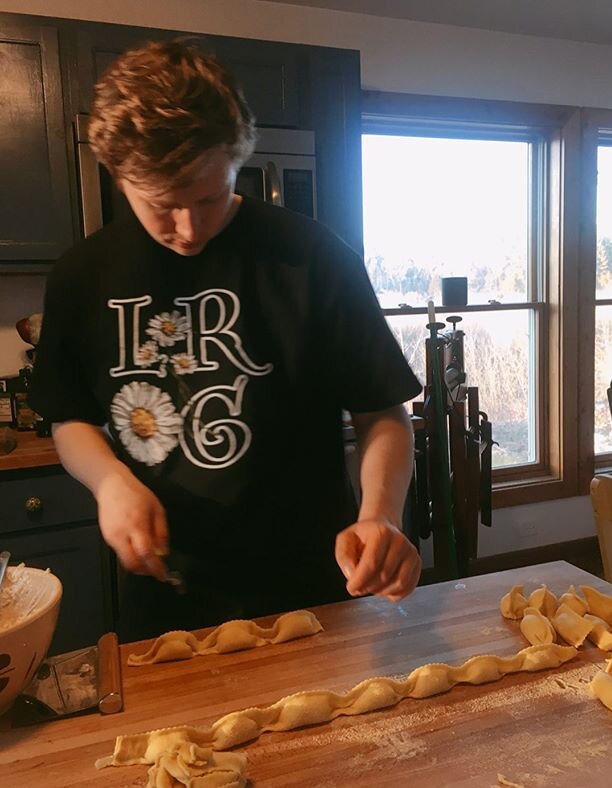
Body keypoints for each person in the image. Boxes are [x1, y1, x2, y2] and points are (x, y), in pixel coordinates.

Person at [29, 40, 423, 642]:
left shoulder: (311, 257)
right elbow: (70, 419)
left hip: (313, 582)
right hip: (165, 590)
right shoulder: (84, 276)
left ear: (239, 159)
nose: (187, 229)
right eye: (162, 205)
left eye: (209, 198)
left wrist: (380, 515)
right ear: (117, 174)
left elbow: (382, 411)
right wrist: (110, 481)